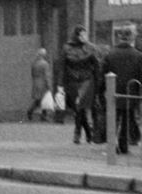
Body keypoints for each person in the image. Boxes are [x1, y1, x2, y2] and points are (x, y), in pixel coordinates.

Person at [99, 23, 142, 154]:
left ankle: (112, 146)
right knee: (127, 119)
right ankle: (124, 145)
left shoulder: (110, 54)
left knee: (113, 119)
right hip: (131, 93)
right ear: (131, 38)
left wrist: (101, 92)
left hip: (114, 92)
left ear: (119, 37)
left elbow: (103, 75)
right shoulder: (138, 56)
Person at [57, 25, 100, 144]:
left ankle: (77, 132)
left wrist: (98, 83)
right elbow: (62, 67)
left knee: (80, 105)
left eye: (85, 34)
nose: (84, 37)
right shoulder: (67, 48)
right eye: (82, 34)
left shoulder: (91, 48)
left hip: (86, 80)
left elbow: (96, 67)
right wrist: (60, 85)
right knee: (78, 109)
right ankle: (88, 132)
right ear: (76, 35)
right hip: (72, 81)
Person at [26, 48, 53, 121]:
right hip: (43, 83)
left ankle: (43, 115)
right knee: (41, 99)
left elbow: (32, 73)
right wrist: (49, 85)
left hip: (36, 82)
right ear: (44, 55)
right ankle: (31, 111)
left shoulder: (34, 63)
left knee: (40, 99)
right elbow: (47, 75)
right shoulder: (45, 64)